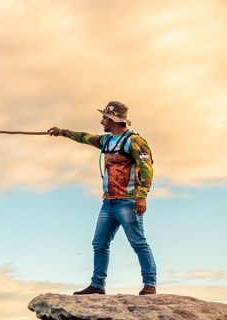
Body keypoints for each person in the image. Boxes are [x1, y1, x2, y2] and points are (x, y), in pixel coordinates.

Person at [48, 101, 157, 295]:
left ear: (114, 119)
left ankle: (150, 284)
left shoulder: (134, 141)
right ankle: (97, 285)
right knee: (99, 243)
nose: (101, 122)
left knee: (138, 242)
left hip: (128, 202)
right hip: (108, 203)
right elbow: (84, 137)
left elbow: (147, 169)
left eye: (104, 118)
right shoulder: (106, 141)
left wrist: (142, 197)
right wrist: (62, 132)